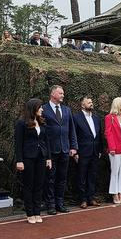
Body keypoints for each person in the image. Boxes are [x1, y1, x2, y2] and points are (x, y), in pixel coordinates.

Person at [15, 99, 52, 224]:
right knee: (28, 185)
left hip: (41, 157)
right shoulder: (21, 123)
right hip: (28, 158)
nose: (42, 109)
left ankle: (37, 212)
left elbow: (46, 142)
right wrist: (19, 160)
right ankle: (29, 213)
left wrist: (48, 158)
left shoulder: (42, 122)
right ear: (33, 108)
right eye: (40, 107)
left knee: (39, 185)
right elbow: (18, 143)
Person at [43, 85, 77, 214]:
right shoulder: (44, 109)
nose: (63, 95)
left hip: (65, 149)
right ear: (53, 94)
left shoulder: (67, 110)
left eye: (63, 93)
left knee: (62, 178)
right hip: (51, 150)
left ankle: (60, 203)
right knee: (50, 178)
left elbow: (71, 129)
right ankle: (50, 205)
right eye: (60, 93)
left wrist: (73, 146)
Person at [73, 96, 103, 208]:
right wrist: (75, 151)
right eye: (88, 102)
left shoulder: (96, 118)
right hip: (82, 152)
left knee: (92, 175)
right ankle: (83, 199)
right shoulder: (76, 117)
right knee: (81, 176)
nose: (91, 103)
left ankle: (91, 198)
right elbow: (73, 135)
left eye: (91, 101)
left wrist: (100, 149)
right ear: (82, 104)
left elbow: (99, 135)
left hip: (95, 152)